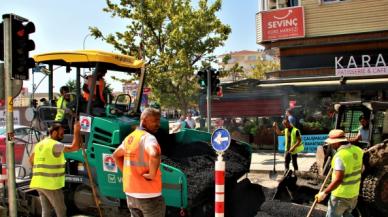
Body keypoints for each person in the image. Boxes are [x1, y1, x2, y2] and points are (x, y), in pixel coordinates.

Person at [112, 108, 165, 217]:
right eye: (155, 120)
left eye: (159, 121)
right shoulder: (148, 138)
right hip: (149, 195)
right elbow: (154, 154)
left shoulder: (129, 138)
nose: (158, 124)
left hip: (131, 195)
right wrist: (152, 174)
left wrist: (126, 173)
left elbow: (115, 155)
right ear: (144, 120)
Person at [29, 122, 81, 217]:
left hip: (38, 183)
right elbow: (75, 147)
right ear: (53, 133)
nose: (63, 135)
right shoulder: (55, 145)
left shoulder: (39, 144)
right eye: (61, 133)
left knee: (46, 211)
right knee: (61, 210)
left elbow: (31, 160)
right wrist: (76, 131)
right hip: (50, 185)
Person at [315, 129, 364, 217]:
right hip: (354, 193)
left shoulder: (340, 156)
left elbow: (338, 180)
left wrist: (324, 193)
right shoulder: (358, 150)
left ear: (337, 143)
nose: (331, 145)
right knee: (347, 214)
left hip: (340, 196)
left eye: (332, 143)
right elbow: (361, 169)